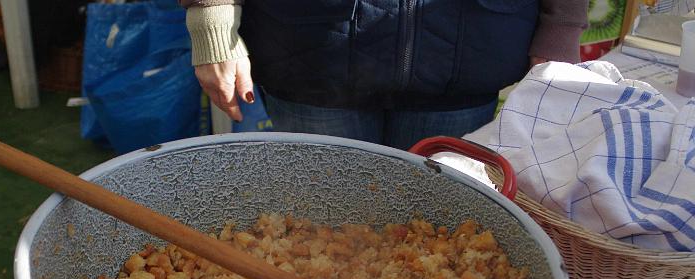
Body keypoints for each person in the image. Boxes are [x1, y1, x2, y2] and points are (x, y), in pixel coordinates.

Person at [179, 1, 589, 150]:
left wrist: (562, 26)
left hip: (468, 57)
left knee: (435, 226)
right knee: (321, 227)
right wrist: (210, 14)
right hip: (311, 50)